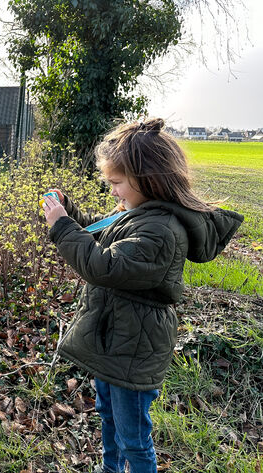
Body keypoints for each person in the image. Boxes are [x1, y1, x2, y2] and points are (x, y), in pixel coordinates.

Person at [41, 118, 243, 473]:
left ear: (147, 179)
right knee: (108, 417)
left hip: (134, 349)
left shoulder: (161, 231)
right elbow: (99, 233)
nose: (113, 192)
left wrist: (61, 227)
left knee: (133, 437)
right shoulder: (139, 213)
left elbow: (103, 265)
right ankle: (110, 469)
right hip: (115, 342)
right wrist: (68, 211)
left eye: (116, 183)